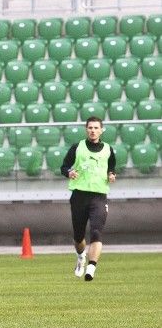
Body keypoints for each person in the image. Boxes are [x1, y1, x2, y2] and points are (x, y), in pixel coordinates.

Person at [60, 116, 116, 282]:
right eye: (90, 128)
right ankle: (80, 257)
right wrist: (69, 173)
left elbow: (111, 167)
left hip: (98, 196)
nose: (93, 131)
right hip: (79, 196)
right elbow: (64, 166)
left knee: (96, 232)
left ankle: (91, 267)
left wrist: (111, 175)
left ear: (101, 130)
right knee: (79, 237)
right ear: (86, 129)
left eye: (96, 128)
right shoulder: (77, 148)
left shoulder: (107, 149)